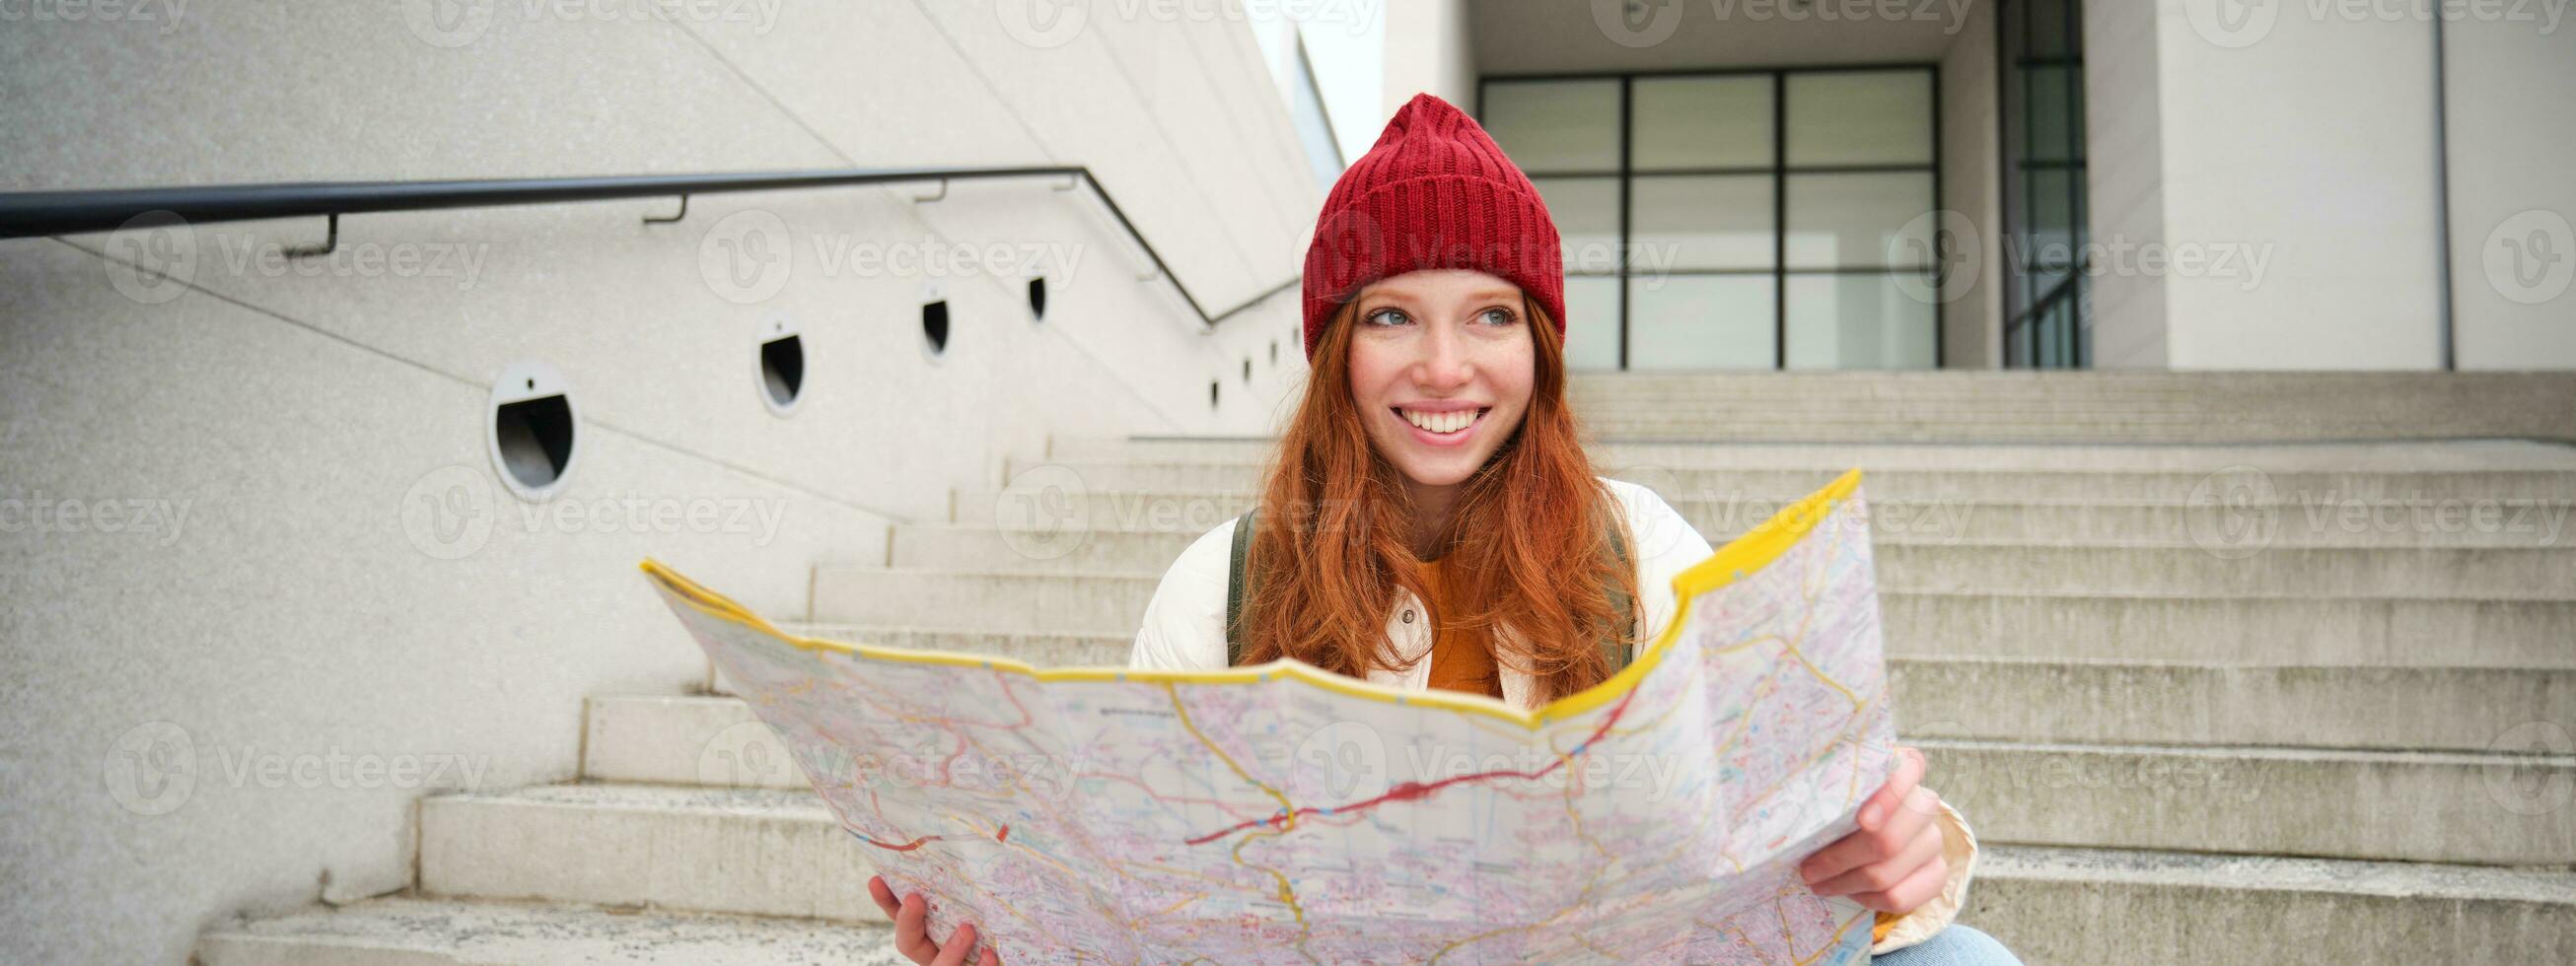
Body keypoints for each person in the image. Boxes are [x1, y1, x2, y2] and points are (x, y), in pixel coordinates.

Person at [871, 92, 2020, 965]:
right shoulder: (1216, 584)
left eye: (1488, 314)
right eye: (1389, 315)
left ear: (1539, 348)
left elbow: (1789, 807)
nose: (1441, 366)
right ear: (1334, 351)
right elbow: (1147, 895)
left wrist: (1898, 849)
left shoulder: (1639, 546)